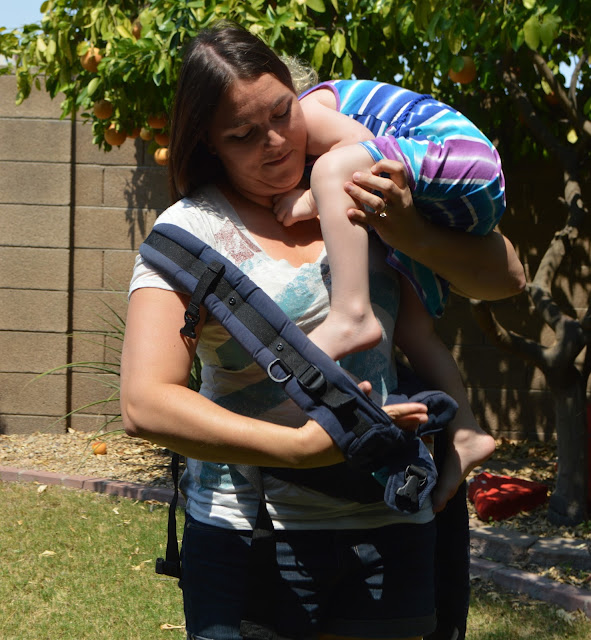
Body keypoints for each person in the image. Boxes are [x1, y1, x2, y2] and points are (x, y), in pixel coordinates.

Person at [120, 22, 525, 640]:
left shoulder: (357, 191)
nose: (276, 142)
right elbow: (145, 402)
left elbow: (507, 278)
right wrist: (300, 448)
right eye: (243, 135)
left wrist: (408, 231)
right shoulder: (190, 233)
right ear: (208, 143)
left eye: (284, 113)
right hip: (249, 532)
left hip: (392, 517)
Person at [272, 79, 506, 510]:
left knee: (333, 171)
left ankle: (351, 314)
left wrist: (310, 198)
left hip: (463, 157)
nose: (268, 139)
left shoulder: (305, 108)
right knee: (415, 332)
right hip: (437, 201)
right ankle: (469, 433)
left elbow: (360, 144)